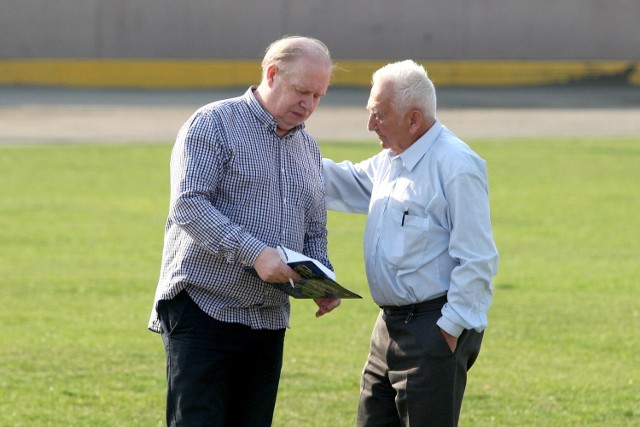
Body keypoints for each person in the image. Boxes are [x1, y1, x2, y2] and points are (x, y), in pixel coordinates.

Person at [148, 35, 341, 427]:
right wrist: (254, 253)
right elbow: (189, 204)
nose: (309, 105)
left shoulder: (309, 148)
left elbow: (315, 229)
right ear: (271, 74)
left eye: (318, 96)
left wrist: (321, 280)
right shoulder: (213, 123)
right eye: (302, 91)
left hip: (267, 320)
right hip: (203, 309)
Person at [323, 60, 499, 426]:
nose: (370, 125)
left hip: (432, 328)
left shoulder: (456, 164)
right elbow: (344, 182)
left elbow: (478, 259)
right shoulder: (392, 160)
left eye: (379, 115)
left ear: (413, 119)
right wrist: (285, 152)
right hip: (387, 327)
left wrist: (448, 331)